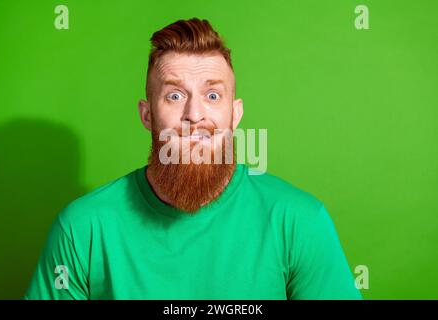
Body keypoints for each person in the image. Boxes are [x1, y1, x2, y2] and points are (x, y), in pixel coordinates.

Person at [24, 18, 362, 300]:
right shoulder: (83, 228)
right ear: (147, 115)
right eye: (174, 95)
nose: (195, 114)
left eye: (212, 95)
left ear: (235, 113)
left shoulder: (299, 221)